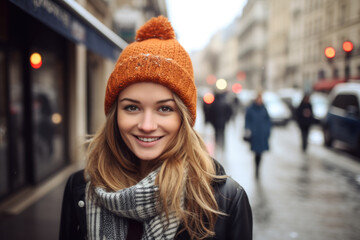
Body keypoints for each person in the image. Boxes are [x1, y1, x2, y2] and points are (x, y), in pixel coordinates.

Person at [59, 16, 252, 240]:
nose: (147, 126)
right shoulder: (80, 188)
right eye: (132, 107)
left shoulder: (225, 200)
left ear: (184, 118)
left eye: (164, 109)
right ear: (114, 115)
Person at [245, 92, 271, 179]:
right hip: (255, 134)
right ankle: (256, 169)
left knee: (261, 153)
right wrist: (248, 129)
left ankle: (258, 168)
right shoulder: (251, 109)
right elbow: (247, 120)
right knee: (256, 153)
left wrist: (268, 130)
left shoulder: (264, 109)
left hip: (262, 134)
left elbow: (268, 120)